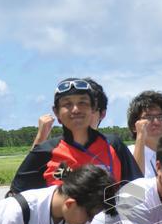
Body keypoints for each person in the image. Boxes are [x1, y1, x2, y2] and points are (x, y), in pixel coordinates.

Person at [12, 78, 140, 192]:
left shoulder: (113, 145)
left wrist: (116, 216)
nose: (75, 109)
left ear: (93, 108)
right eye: (67, 104)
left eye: (82, 103)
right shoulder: (44, 152)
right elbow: (16, 197)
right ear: (56, 112)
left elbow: (138, 190)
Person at [127, 90, 162, 176]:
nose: (156, 122)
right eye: (148, 117)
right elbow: (135, 182)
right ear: (134, 126)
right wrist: (140, 136)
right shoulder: (127, 153)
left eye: (160, 117)